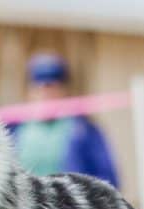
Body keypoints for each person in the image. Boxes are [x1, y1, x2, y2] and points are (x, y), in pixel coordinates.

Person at [8, 53, 120, 188]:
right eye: (40, 88)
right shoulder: (13, 130)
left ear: (64, 91)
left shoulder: (84, 130)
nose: (46, 95)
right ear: (28, 92)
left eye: (52, 88)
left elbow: (108, 179)